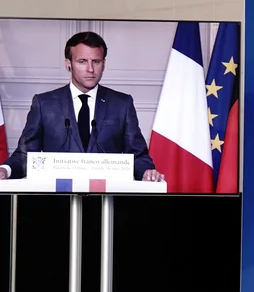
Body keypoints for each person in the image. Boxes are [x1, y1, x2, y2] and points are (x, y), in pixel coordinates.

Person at [0, 31, 165, 182]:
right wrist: (5, 170)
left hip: (106, 201)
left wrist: (147, 171)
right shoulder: (44, 103)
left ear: (104, 64)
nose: (90, 69)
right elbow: (25, 154)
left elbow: (137, 154)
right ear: (68, 64)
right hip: (58, 201)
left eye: (96, 61)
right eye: (82, 61)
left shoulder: (122, 104)